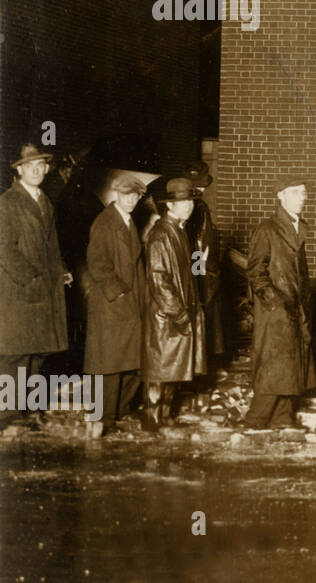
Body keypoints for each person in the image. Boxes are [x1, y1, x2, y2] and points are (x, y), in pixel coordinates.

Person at [0, 144, 72, 430]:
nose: (37, 170)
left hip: (43, 290)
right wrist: (29, 277)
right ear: (18, 170)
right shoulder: (8, 202)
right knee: (16, 354)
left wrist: (62, 270)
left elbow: (51, 247)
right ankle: (7, 415)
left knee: (39, 353)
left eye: (42, 165)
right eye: (30, 165)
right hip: (19, 291)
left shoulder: (45, 202)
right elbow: (3, 249)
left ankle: (29, 411)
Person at [242, 179, 314, 429]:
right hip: (276, 310)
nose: (302, 198)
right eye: (296, 193)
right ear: (280, 196)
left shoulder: (297, 227)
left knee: (291, 363)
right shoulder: (267, 229)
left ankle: (282, 417)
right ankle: (256, 419)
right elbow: (255, 271)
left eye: (303, 193)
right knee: (273, 365)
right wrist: (276, 303)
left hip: (296, 306)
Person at [84, 174, 147, 435]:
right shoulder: (105, 222)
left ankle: (120, 411)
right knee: (109, 364)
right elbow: (98, 264)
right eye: (127, 194)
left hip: (129, 303)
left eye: (136, 196)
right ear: (116, 194)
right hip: (112, 305)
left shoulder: (128, 221)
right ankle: (103, 418)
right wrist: (119, 293)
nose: (131, 199)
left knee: (130, 361)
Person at [141, 178, 206, 430]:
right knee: (159, 371)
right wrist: (178, 313)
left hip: (176, 313)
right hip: (166, 316)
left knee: (172, 371)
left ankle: (165, 417)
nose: (188, 206)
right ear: (170, 205)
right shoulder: (160, 235)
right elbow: (159, 279)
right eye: (182, 202)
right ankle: (151, 421)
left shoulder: (178, 230)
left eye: (190, 201)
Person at [183, 160, 224, 361]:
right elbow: (196, 245)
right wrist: (201, 273)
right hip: (200, 268)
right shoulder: (194, 207)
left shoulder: (198, 205)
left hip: (203, 267)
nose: (198, 189)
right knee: (204, 311)